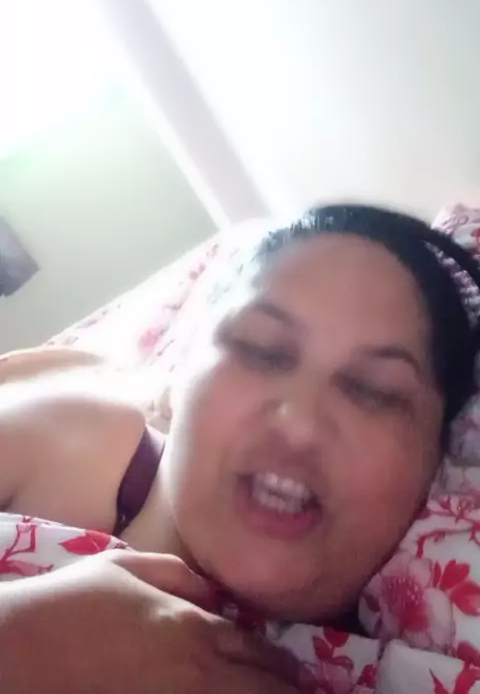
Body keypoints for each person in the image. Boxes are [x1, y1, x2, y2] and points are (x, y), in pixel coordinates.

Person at [0, 203, 479, 693]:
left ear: (433, 469)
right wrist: (27, 641)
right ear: (181, 372)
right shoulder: (76, 442)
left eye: (372, 391)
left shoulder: (403, 667)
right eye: (262, 349)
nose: (300, 424)